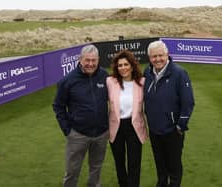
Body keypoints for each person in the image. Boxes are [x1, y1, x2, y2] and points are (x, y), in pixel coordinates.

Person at [53, 44, 109, 187]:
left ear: (98, 60)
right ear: (80, 60)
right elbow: (58, 106)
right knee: (72, 170)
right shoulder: (68, 80)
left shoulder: (104, 76)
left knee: (96, 168)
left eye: (93, 60)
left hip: (101, 133)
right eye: (87, 60)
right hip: (78, 134)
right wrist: (67, 130)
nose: (90, 64)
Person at [143, 40, 195, 187]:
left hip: (173, 130)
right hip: (154, 129)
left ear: (167, 55)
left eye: (160, 55)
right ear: (149, 58)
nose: (157, 59)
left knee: (174, 164)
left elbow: (188, 102)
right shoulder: (147, 72)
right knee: (159, 162)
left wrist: (180, 125)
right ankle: (161, 183)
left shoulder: (179, 73)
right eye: (154, 56)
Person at [106, 50, 148, 187]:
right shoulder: (110, 82)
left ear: (132, 65)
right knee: (119, 162)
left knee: (134, 163)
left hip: (134, 126)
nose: (123, 68)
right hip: (116, 127)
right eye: (120, 65)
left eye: (126, 64)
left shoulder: (142, 82)